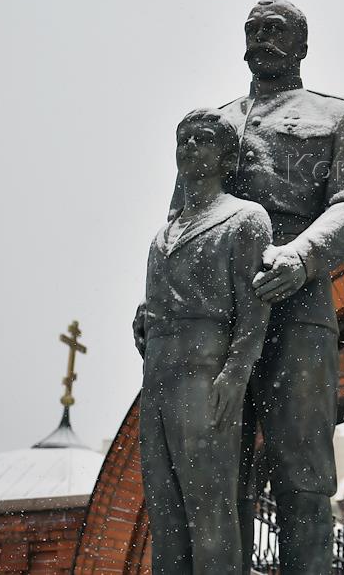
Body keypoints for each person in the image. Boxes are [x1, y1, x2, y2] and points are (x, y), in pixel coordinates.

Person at [169, 0, 344, 574]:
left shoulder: (339, 117)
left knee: (301, 471)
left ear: (302, 45)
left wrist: (301, 256)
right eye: (254, 29)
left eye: (276, 30)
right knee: (214, 468)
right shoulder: (213, 126)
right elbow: (182, 216)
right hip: (216, 314)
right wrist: (157, 300)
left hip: (296, 306)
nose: (263, 38)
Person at [135, 108, 273, 575]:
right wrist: (146, 324)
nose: (191, 146)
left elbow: (254, 307)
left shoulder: (244, 218)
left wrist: (235, 373)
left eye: (203, 139)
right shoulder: (161, 236)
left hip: (205, 374)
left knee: (210, 510)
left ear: (226, 158)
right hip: (157, 377)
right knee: (165, 514)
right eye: (184, 139)